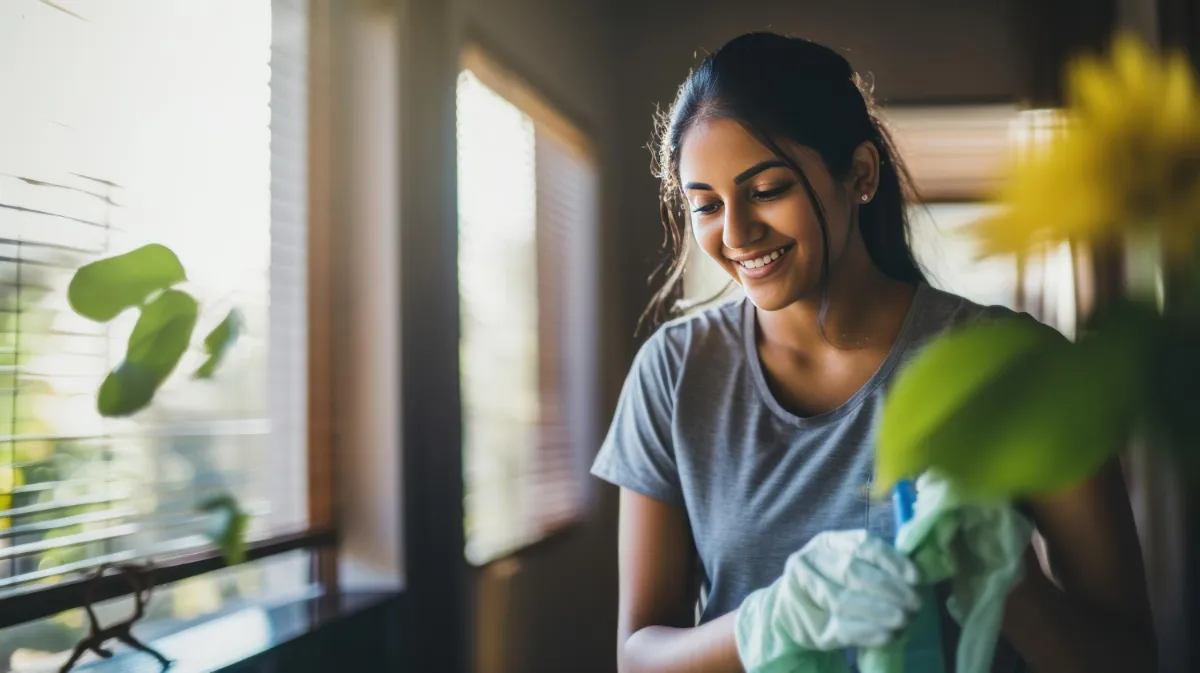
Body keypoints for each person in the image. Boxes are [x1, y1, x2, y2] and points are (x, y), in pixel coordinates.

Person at [591, 32, 1156, 673]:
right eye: (706, 205)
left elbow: (1133, 658)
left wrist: (1009, 588)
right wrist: (766, 622)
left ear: (860, 173)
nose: (737, 232)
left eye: (768, 189)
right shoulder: (673, 375)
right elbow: (637, 658)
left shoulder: (1021, 371)